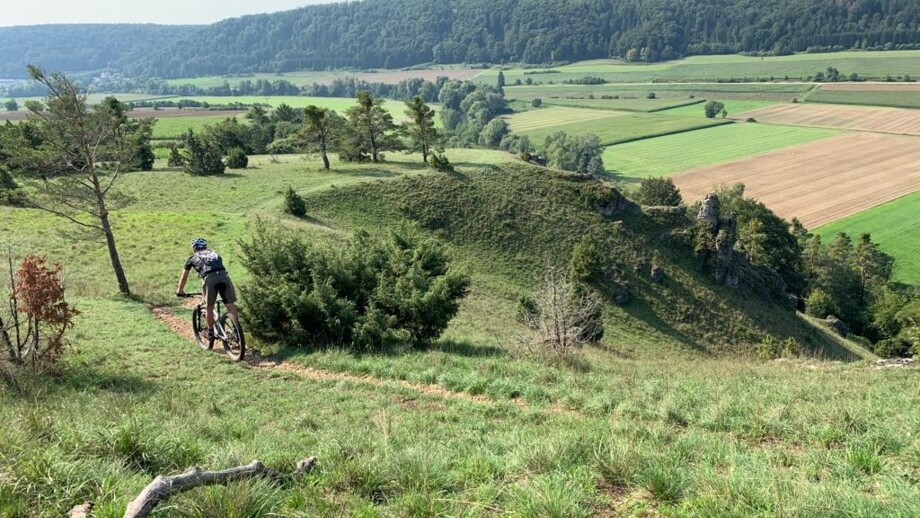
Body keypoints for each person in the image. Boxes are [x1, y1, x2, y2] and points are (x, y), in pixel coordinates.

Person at [176, 238, 239, 343]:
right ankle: (237, 332)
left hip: (210, 279)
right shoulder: (215, 254)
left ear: (194, 248)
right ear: (205, 246)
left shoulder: (192, 258)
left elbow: (184, 277)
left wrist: (180, 291)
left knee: (209, 307)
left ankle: (210, 333)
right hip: (224, 277)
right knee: (230, 305)